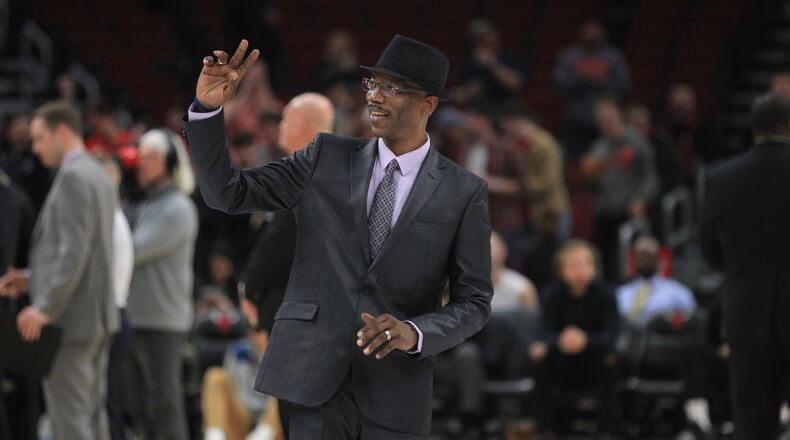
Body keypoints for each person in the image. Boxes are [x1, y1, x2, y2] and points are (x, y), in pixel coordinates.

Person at [184, 35, 493, 439]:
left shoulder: (463, 191)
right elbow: (228, 192)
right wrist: (208, 110)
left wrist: (415, 332)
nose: (374, 98)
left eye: (390, 88)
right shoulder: (325, 156)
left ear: (428, 104)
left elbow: (475, 301)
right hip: (313, 381)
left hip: (396, 391)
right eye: (372, 85)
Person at [0, 101, 118, 440]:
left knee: (71, 423)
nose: (35, 149)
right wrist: (30, 281)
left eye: (39, 139)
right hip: (95, 316)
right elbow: (85, 254)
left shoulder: (74, 176)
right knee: (93, 418)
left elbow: (74, 252)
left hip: (70, 321)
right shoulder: (97, 172)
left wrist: (44, 307)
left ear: (62, 132)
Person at [700, 93, 790, 439]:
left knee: (753, 425)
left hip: (747, 317)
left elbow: (710, 254)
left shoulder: (719, 178)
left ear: (754, 128)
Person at [123, 128, 198, 440]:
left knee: (165, 409)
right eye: (140, 157)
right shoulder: (141, 205)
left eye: (150, 158)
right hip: (136, 318)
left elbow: (131, 251)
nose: (141, 163)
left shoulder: (177, 208)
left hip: (162, 323)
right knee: (138, 409)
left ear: (170, 163)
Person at [529, 240, 620, 435]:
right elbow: (542, 333)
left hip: (593, 358)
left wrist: (585, 340)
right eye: (574, 265)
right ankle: (546, 429)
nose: (581, 270)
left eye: (586, 264)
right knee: (538, 360)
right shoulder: (550, 295)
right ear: (561, 270)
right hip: (561, 360)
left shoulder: (607, 294)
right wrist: (560, 341)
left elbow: (612, 335)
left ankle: (607, 430)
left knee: (613, 360)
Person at [582, 97, 659, 281]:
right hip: (604, 211)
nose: (605, 124)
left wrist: (641, 199)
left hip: (628, 212)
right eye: (601, 120)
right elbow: (591, 181)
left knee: (627, 264)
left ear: (620, 116)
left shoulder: (636, 141)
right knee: (602, 261)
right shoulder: (599, 146)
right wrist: (590, 174)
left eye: (609, 118)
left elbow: (651, 177)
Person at [97, 154, 135, 440]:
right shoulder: (113, 214)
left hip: (108, 315)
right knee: (107, 402)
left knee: (105, 403)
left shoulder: (108, 217)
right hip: (113, 314)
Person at [554, 18, 630, 158]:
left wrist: (599, 80)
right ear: (581, 34)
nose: (591, 36)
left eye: (595, 32)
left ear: (602, 34)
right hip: (576, 120)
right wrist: (581, 77)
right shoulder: (570, 55)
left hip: (604, 124)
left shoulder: (613, 56)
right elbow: (560, 84)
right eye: (587, 32)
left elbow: (622, 85)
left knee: (603, 162)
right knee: (570, 160)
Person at [202, 328, 284, 440]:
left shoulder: (285, 355)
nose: (263, 337)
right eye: (259, 332)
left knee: (282, 393)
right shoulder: (238, 351)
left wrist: (266, 356)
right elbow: (228, 392)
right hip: (242, 417)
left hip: (271, 426)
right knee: (215, 376)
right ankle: (215, 436)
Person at [616, 236, 695, 325]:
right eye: (641, 255)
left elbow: (691, 324)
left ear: (659, 260)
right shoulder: (622, 294)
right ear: (635, 259)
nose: (645, 260)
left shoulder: (678, 293)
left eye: (649, 256)